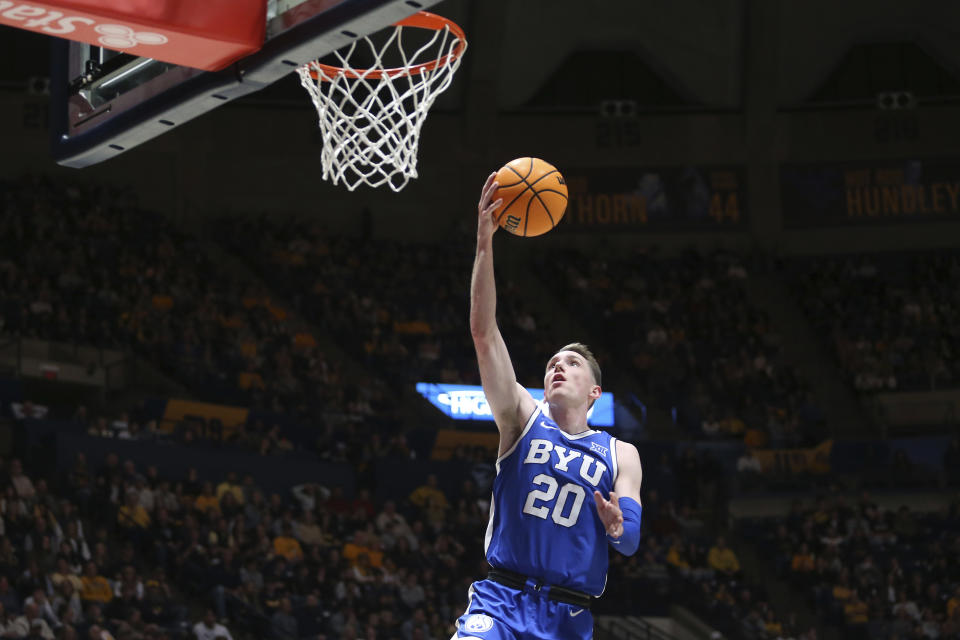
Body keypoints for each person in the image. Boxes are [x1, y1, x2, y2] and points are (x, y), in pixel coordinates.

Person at [451, 174, 644, 640]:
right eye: (553, 362)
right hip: (500, 601)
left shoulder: (620, 454)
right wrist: (484, 244)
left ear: (594, 391)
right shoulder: (522, 416)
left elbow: (631, 541)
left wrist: (618, 526)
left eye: (572, 363)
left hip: (567, 617)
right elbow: (483, 333)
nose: (558, 367)